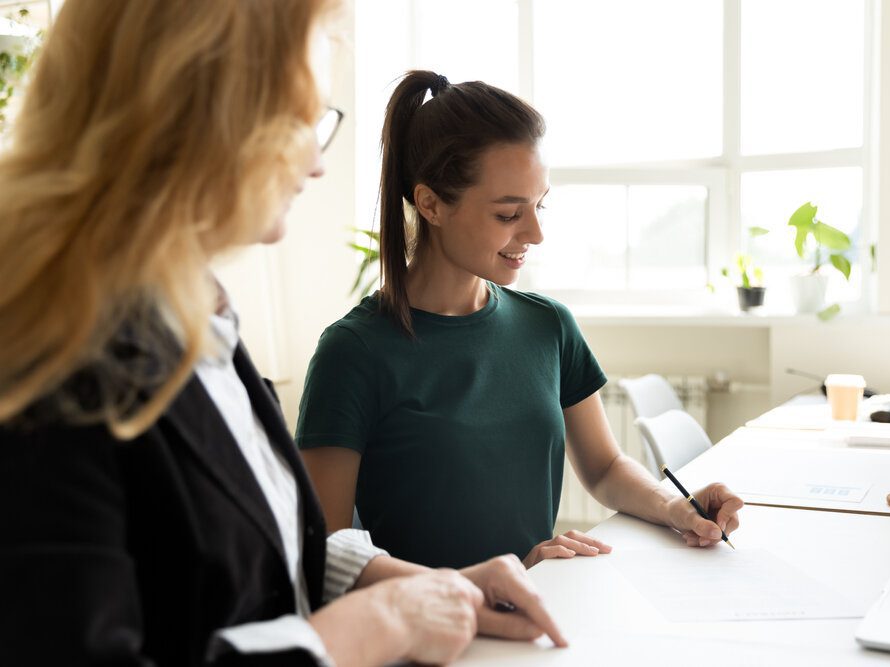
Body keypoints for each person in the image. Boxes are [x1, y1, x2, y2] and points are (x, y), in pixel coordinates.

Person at [0, 4, 566, 666]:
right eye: (300, 122)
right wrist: (373, 623)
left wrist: (433, 587)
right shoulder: (47, 363)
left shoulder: (196, 314)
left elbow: (264, 544)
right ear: (197, 114)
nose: (316, 165)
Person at [296, 70, 744, 571]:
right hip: (432, 637)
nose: (534, 233)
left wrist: (673, 506)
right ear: (431, 204)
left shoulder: (548, 326)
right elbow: (327, 556)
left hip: (535, 616)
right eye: (509, 215)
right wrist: (486, 585)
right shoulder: (353, 352)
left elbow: (604, 467)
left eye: (539, 206)